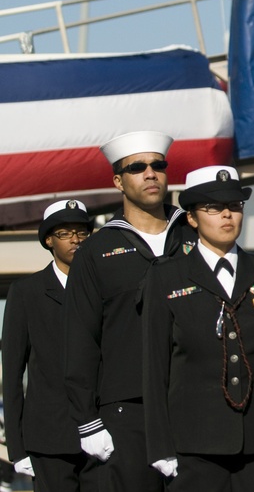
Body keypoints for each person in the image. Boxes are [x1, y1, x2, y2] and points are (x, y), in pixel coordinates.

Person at [142, 165, 254, 490]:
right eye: (213, 208)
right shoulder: (166, 278)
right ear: (192, 218)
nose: (226, 215)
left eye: (234, 206)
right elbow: (155, 369)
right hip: (194, 446)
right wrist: (161, 445)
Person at [64, 131, 196, 492]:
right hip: (127, 411)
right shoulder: (95, 252)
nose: (150, 173)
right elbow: (80, 341)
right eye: (137, 167)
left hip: (196, 403)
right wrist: (88, 422)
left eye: (158, 165)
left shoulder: (198, 235)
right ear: (118, 181)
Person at [2, 200, 98, 491]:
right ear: (49, 240)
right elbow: (13, 373)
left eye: (81, 233)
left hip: (104, 432)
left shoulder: (104, 288)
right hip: (50, 438)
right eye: (65, 234)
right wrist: (18, 449)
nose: (75, 240)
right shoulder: (26, 293)